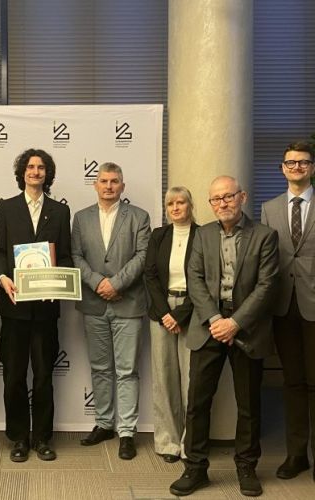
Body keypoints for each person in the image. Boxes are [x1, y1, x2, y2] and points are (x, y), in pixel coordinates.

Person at [170, 176, 278, 498]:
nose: (222, 204)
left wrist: (235, 323)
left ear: (242, 197)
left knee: (249, 404)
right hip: (208, 327)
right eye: (216, 199)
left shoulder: (265, 236)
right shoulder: (202, 235)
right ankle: (195, 468)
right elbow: (194, 278)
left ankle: (246, 467)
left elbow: (267, 286)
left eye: (228, 197)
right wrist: (216, 320)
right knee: (197, 403)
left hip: (247, 328)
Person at [260, 142, 315, 485]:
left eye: (303, 162)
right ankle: (296, 454)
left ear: (313, 167)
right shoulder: (268, 209)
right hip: (282, 307)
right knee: (292, 382)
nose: (296, 167)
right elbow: (266, 262)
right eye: (291, 162)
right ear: (282, 168)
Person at [0, 148, 72, 462]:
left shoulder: (60, 211)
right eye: (30, 167)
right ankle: (18, 438)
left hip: (45, 309)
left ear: (47, 173)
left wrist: (58, 283)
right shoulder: (6, 208)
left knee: (42, 376)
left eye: (41, 167)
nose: (35, 171)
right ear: (22, 172)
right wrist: (2, 277)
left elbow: (64, 256)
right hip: (13, 306)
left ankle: (41, 438)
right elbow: (0, 251)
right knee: (13, 376)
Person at [71, 162, 151, 460]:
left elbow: (143, 255)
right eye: (103, 181)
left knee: (127, 370)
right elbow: (76, 255)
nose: (108, 186)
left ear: (122, 186)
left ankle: (126, 431)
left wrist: (116, 283)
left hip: (128, 303)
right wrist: (97, 282)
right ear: (95, 185)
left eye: (114, 181)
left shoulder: (139, 217)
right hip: (93, 304)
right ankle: (104, 424)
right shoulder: (81, 218)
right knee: (101, 368)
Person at [144, 186, 199, 463]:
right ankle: (168, 443)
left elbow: (206, 279)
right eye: (170, 204)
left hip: (193, 310)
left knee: (191, 379)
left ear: (190, 205)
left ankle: (190, 444)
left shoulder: (203, 235)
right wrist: (166, 313)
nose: (176, 208)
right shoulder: (159, 235)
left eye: (181, 202)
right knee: (164, 378)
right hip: (161, 311)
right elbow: (150, 275)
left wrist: (180, 315)